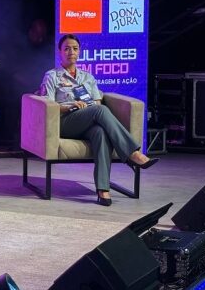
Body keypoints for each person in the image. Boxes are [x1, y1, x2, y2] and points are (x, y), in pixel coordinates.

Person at [38, 34, 158, 206]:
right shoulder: (52, 76)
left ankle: (103, 190)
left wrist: (88, 107)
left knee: (100, 132)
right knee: (100, 111)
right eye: (67, 49)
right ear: (60, 52)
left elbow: (97, 101)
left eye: (75, 48)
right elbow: (48, 105)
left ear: (79, 52)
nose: (71, 52)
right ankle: (132, 153)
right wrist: (71, 106)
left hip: (87, 119)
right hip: (64, 122)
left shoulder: (88, 77)